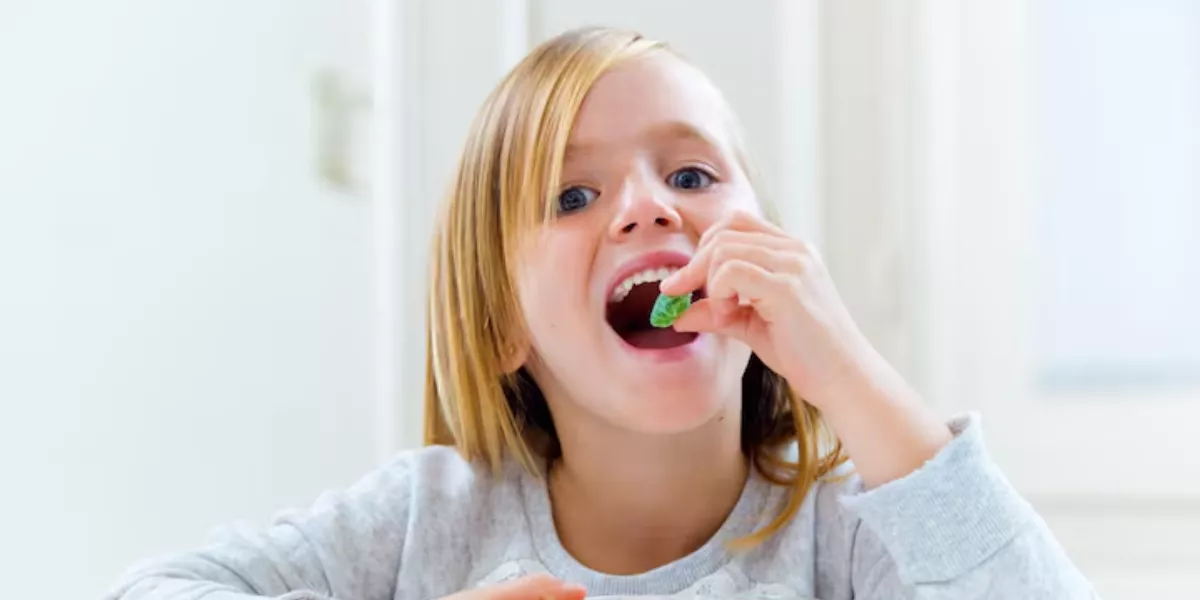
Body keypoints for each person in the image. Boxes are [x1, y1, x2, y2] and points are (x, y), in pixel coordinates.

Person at [104, 26, 1099, 600]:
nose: (649, 205)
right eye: (572, 196)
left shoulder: (843, 541)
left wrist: (847, 370)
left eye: (693, 173)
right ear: (502, 325)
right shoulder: (425, 524)